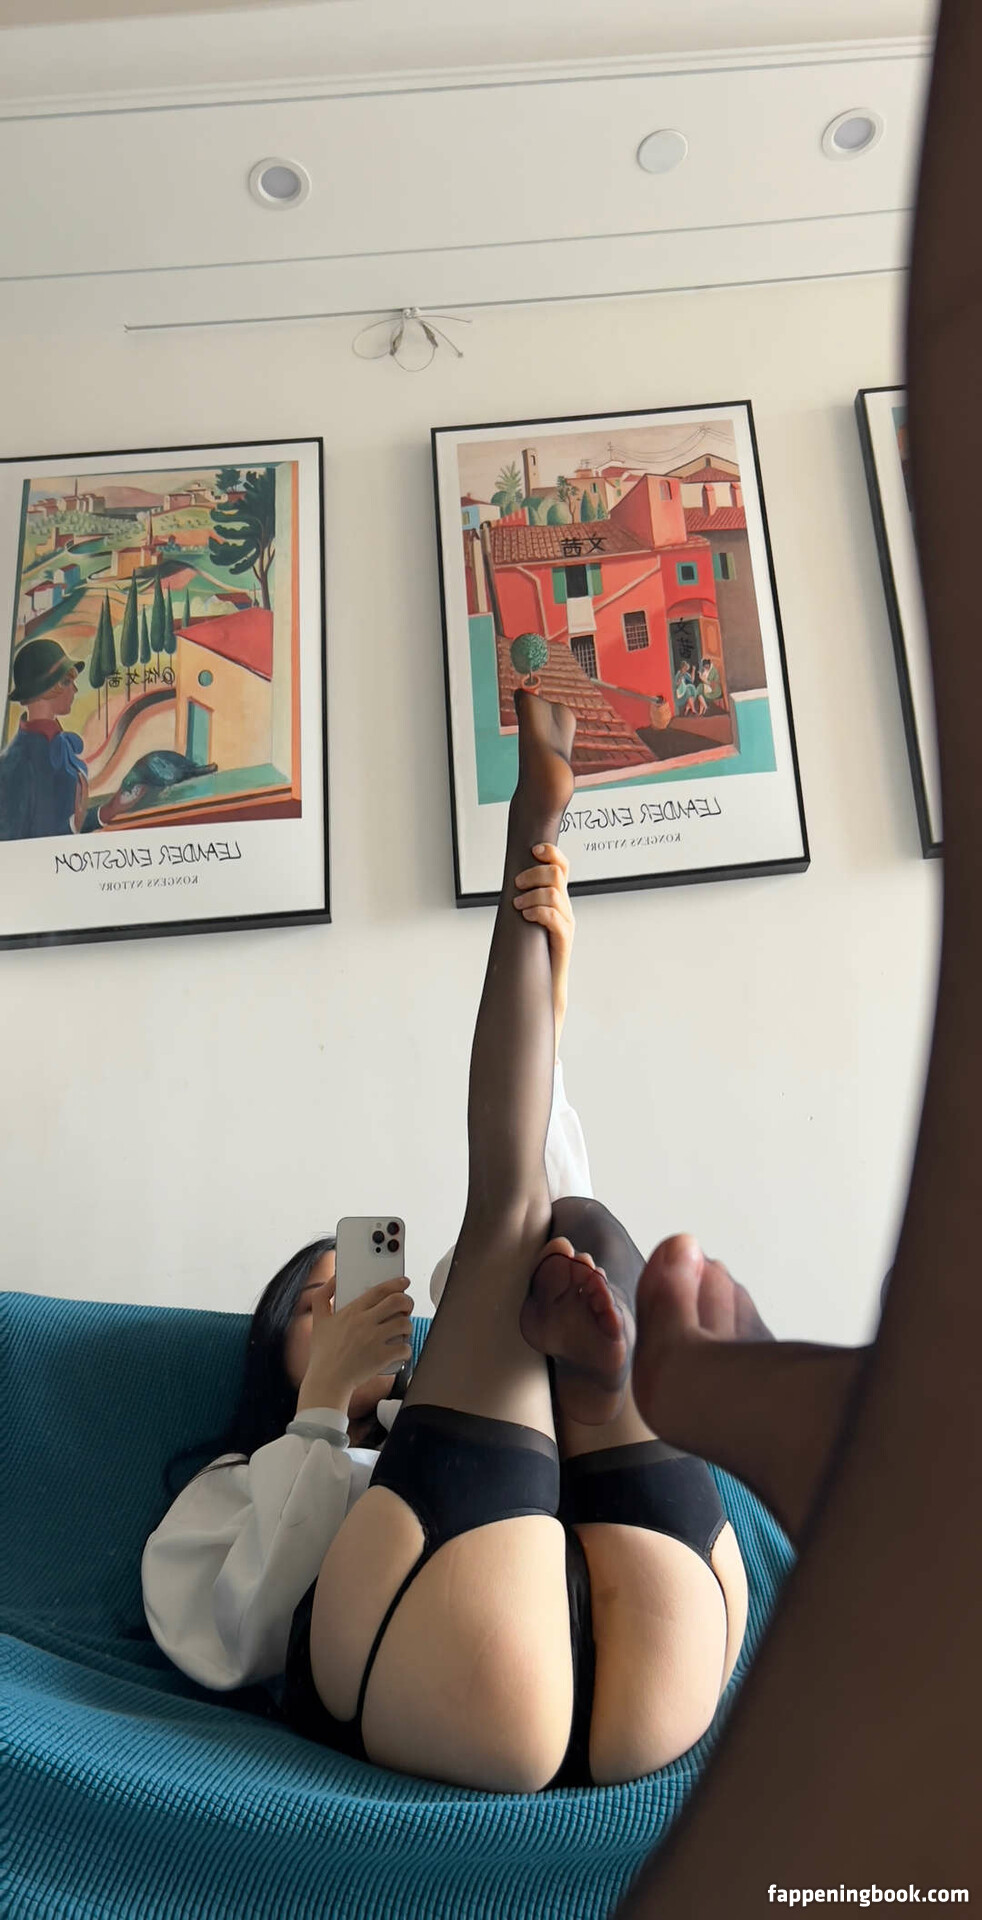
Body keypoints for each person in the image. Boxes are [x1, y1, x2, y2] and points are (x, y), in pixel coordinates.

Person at [144, 698, 748, 1791]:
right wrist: (318, 1415)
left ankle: (601, 1367)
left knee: (568, 1233)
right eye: (320, 1303)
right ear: (271, 1346)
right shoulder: (228, 1486)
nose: (350, 1307)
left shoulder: (456, 1393)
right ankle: (528, 856)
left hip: (632, 1625)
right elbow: (232, 1638)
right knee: (518, 1233)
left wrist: (552, 996)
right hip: (457, 1645)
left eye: (358, 1288)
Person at [0, 637, 136, 840]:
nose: (75, 690)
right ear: (47, 688)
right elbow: (19, 845)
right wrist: (73, 827)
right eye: (67, 682)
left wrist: (109, 810)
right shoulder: (13, 765)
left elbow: (68, 818)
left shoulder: (60, 743)